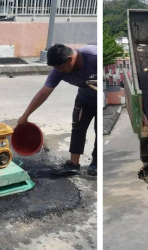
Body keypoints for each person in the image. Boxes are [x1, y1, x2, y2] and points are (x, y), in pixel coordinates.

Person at [18, 44, 97, 176]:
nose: (59, 70)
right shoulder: (58, 71)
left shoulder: (94, 57)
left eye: (61, 67)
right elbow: (43, 93)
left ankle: (96, 163)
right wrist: (25, 116)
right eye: (56, 68)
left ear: (70, 59)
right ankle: (73, 164)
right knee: (78, 128)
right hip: (84, 98)